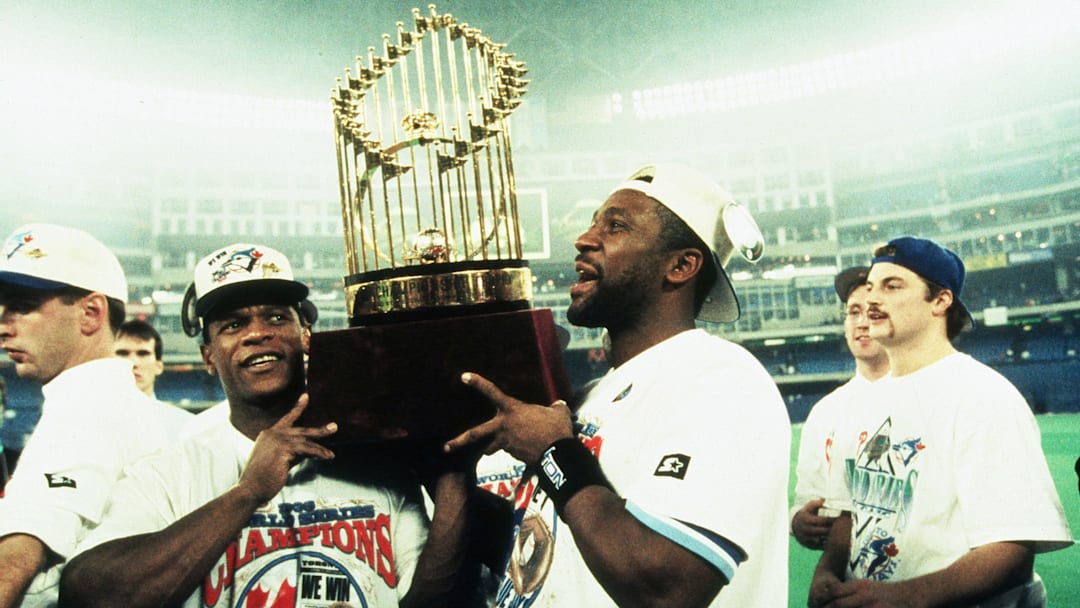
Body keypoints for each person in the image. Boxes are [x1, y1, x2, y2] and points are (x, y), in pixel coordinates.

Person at [445, 163, 792, 607]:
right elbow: (556, 546)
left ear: (681, 265)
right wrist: (447, 472)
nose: (584, 239)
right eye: (594, 223)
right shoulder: (592, 395)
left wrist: (554, 453)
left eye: (615, 226)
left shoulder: (720, 377)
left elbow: (668, 589)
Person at [60, 242, 473, 608]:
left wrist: (454, 478)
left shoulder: (377, 461)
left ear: (306, 335)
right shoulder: (168, 473)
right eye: (233, 325)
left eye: (276, 318)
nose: (257, 333)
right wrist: (248, 492)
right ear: (207, 355)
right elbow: (89, 595)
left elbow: (428, 601)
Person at [809, 236, 1073, 608]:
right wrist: (827, 573)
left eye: (891, 285)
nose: (870, 299)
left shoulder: (983, 395)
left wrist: (899, 598)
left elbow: (1012, 549)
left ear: (940, 300)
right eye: (869, 287)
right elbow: (849, 515)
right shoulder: (860, 401)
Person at [0, 223, 186, 607]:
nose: (3, 327)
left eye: (20, 306)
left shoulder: (85, 406)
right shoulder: (116, 401)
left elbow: (17, 555)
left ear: (90, 313)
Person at [791, 266, 889, 550]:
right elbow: (806, 497)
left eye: (873, 311)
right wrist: (797, 521)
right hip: (848, 578)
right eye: (853, 311)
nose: (861, 322)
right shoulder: (825, 411)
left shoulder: (926, 398)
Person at [113, 319, 165, 398]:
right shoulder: (91, 410)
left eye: (143, 354)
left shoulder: (171, 411)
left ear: (158, 367)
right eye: (123, 353)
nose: (133, 362)